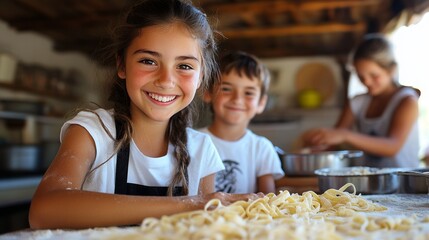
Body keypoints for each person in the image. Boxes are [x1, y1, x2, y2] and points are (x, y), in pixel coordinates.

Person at [28, 0, 261, 230]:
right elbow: (44, 211)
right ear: (122, 65)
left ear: (201, 77)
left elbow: (204, 229)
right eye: (148, 61)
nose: (165, 80)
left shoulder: (201, 149)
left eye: (185, 66)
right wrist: (190, 204)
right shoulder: (93, 131)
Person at [302, 34, 420, 168]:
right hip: (369, 183)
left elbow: (392, 147)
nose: (367, 82)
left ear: (391, 70)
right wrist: (316, 144)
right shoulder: (357, 102)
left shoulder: (406, 101)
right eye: (361, 76)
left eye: (374, 76)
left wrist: (345, 135)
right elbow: (334, 142)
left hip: (404, 184)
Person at [199, 51, 284, 194]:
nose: (237, 99)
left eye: (249, 93)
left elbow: (268, 202)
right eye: (226, 89)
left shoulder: (262, 148)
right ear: (208, 93)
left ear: (261, 103)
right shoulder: (195, 142)